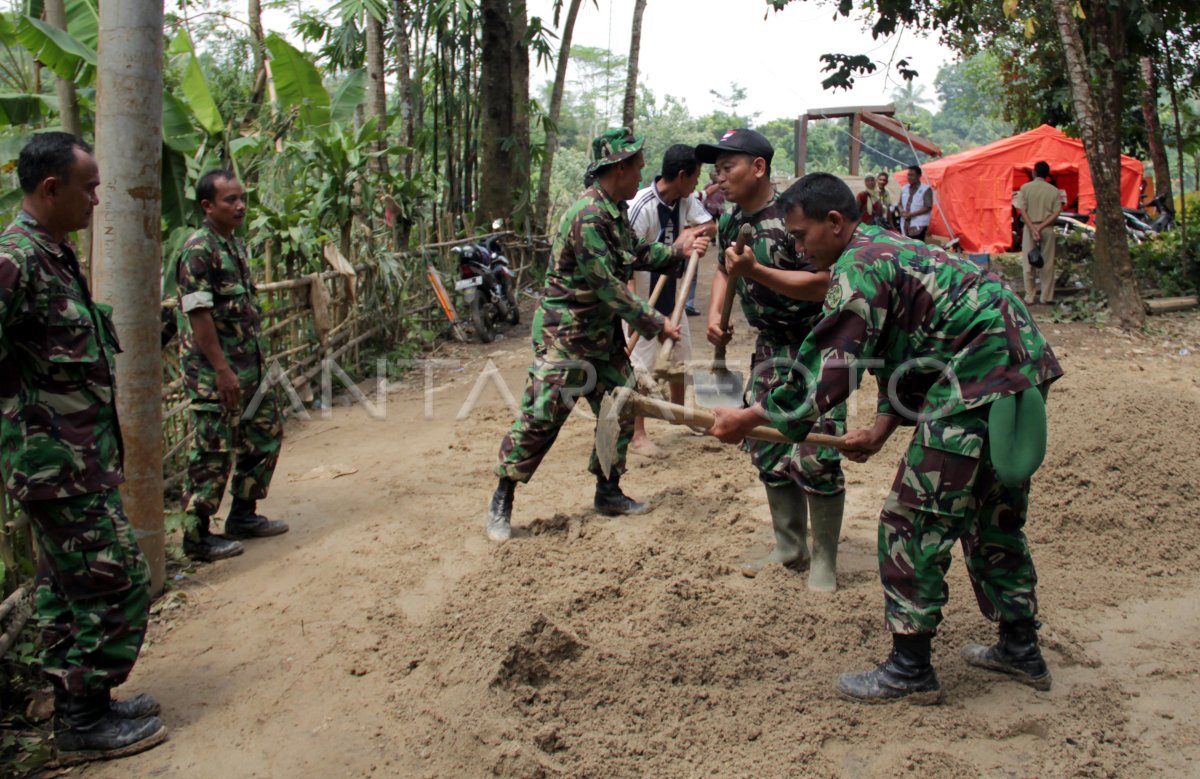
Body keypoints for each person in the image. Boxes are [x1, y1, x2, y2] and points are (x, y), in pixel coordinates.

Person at [710, 172, 1063, 704]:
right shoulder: (886, 248)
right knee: (992, 517)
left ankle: (910, 669)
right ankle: (1019, 647)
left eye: (803, 237)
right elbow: (907, 351)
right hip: (1015, 371)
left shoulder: (862, 265)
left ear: (835, 222)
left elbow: (833, 366)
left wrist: (753, 415)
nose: (800, 249)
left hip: (977, 381)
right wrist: (880, 427)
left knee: (911, 520)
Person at [0, 133, 167, 763]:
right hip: (54, 461)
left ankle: (79, 707)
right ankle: (84, 718)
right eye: (89, 187)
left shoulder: (54, 255)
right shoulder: (15, 257)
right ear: (51, 189)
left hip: (76, 459)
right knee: (121, 576)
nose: (97, 200)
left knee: (64, 588)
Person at [486, 128, 710, 542]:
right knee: (541, 418)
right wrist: (656, 322)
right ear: (618, 169)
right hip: (565, 337)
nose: (642, 177)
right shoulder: (587, 216)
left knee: (621, 407)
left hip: (601, 337)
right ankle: (503, 496)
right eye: (638, 169)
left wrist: (676, 252)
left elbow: (636, 254)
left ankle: (608, 490)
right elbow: (606, 283)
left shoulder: (613, 211)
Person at [696, 129, 846, 591]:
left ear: (758, 167)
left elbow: (824, 283)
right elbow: (725, 268)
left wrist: (756, 272)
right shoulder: (730, 220)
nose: (720, 179)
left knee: (817, 452)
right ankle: (788, 543)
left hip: (813, 345)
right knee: (766, 445)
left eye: (728, 168)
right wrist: (718, 315)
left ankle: (823, 560)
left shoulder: (795, 218)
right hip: (768, 347)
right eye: (715, 171)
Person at [175, 170, 288, 562]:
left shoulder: (233, 246)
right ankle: (196, 536)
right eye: (230, 200)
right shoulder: (198, 250)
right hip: (215, 372)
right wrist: (221, 369)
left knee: (266, 433)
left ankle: (243, 514)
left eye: (242, 198)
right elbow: (199, 315)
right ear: (208, 206)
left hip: (249, 366)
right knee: (212, 451)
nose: (240, 206)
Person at [625, 144, 717, 457]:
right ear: (681, 175)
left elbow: (710, 225)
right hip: (642, 300)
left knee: (680, 354)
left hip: (670, 294)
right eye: (696, 177)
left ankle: (679, 413)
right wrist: (634, 312)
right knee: (641, 367)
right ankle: (637, 433)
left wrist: (691, 236)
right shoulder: (641, 206)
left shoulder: (685, 199)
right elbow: (625, 261)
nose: (697, 184)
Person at [1016, 161, 1062, 304]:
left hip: (1030, 230)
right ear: (1047, 174)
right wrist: (1041, 227)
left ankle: (1030, 296)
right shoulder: (1054, 191)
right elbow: (1057, 212)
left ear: (1034, 172)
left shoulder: (1025, 188)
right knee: (1047, 263)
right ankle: (1046, 297)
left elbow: (1022, 210)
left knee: (1028, 263)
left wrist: (1033, 228)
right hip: (1047, 229)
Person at [899, 165, 934, 242]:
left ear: (919, 176)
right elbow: (900, 204)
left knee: (917, 247)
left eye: (912, 175)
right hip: (905, 223)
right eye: (908, 175)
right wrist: (901, 211)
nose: (909, 177)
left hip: (918, 225)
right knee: (906, 245)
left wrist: (911, 214)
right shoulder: (904, 188)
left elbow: (928, 207)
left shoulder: (926, 189)